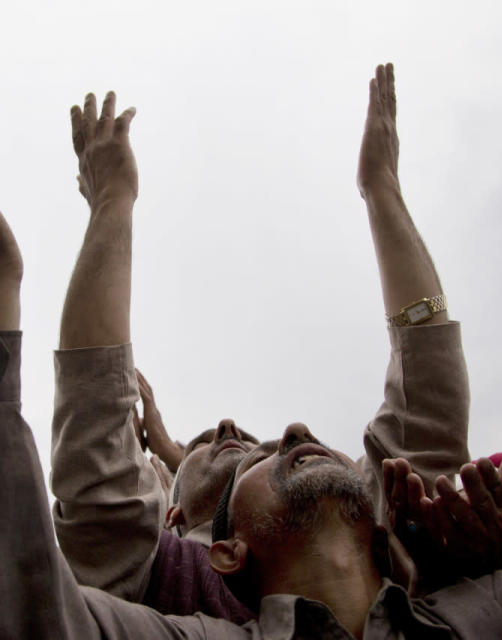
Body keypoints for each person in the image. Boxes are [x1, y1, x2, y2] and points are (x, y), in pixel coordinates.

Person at [0, 8, 502, 637]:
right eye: (229, 456)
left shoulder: (495, 612)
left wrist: (383, 190)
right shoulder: (165, 598)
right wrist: (26, 264)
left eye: (270, 446)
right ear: (221, 547)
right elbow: (28, 574)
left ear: (379, 522)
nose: (280, 428)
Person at [48, 42, 471, 620]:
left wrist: (383, 189)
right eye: (210, 448)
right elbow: (97, 466)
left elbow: (426, 413)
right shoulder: (161, 582)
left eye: (257, 451)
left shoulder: (377, 555)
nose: (238, 431)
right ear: (182, 522)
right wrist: (111, 207)